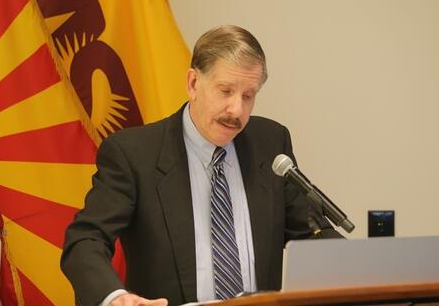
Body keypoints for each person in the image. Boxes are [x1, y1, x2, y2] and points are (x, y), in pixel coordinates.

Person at [61, 25, 332, 306]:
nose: (237, 110)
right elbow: (86, 239)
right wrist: (115, 298)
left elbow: (310, 231)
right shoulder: (134, 154)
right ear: (193, 83)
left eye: (248, 95)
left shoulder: (271, 142)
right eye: (225, 91)